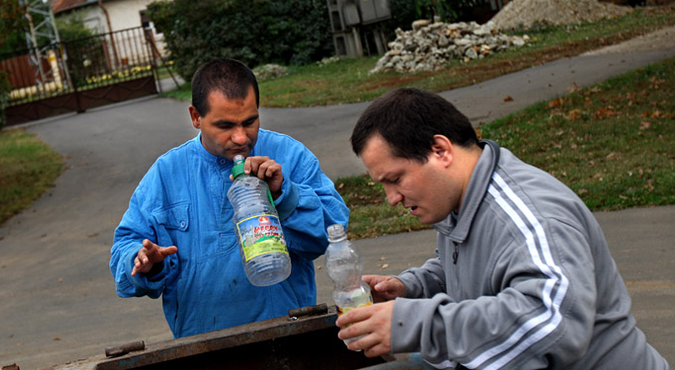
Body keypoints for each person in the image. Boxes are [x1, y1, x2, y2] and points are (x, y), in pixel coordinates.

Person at [339, 88, 669, 369]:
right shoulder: (461, 200)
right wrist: (412, 288)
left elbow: (551, 322)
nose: (392, 199)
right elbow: (481, 267)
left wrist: (414, 323)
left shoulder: (533, 215)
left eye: (395, 180)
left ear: (440, 151)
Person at [110, 58, 349, 338]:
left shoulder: (289, 155)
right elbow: (124, 249)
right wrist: (145, 262)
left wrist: (284, 195)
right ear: (195, 117)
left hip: (288, 336)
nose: (240, 138)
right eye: (225, 126)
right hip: (204, 348)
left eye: (250, 121)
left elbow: (334, 231)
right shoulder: (167, 174)